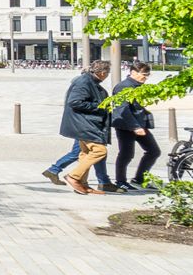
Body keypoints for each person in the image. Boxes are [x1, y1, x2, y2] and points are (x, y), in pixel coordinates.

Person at [58, 58, 116, 195]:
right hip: (85, 124)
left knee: (85, 154)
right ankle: (74, 177)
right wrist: (100, 107)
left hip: (85, 123)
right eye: (107, 73)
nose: (107, 76)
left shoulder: (90, 82)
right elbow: (75, 102)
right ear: (102, 72)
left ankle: (82, 184)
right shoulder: (84, 82)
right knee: (99, 151)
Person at [112, 60, 159, 192]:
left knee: (154, 151)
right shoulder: (124, 86)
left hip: (139, 124)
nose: (146, 77)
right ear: (133, 72)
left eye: (148, 74)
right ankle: (120, 181)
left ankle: (139, 179)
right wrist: (135, 127)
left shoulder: (138, 86)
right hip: (125, 126)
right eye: (144, 74)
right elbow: (122, 109)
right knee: (126, 154)